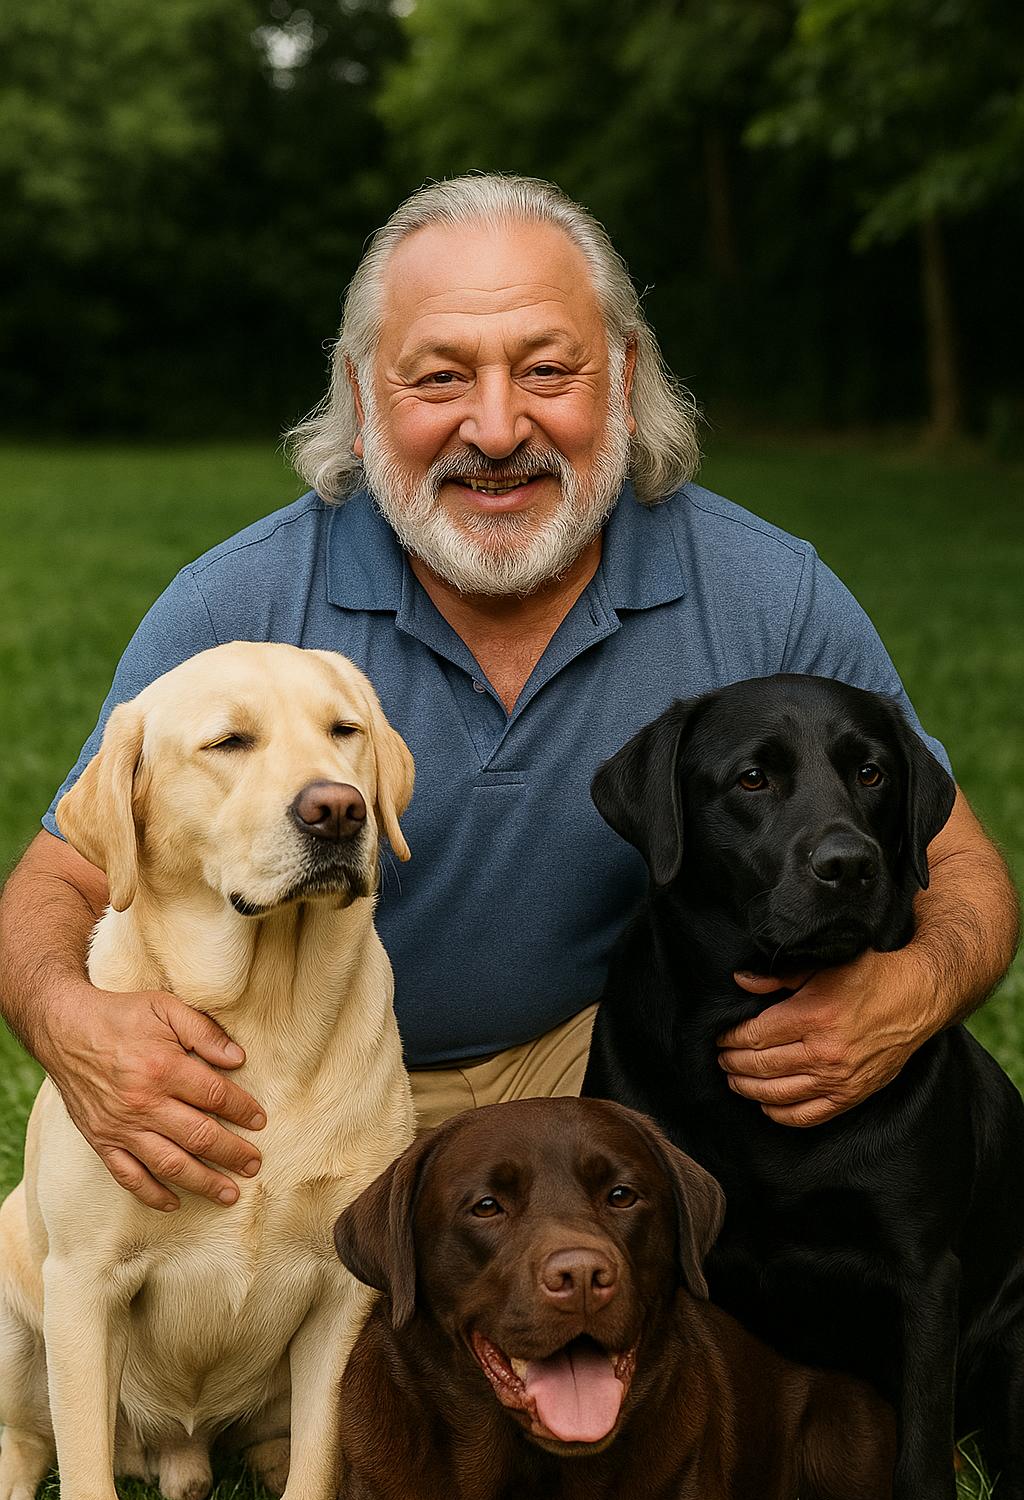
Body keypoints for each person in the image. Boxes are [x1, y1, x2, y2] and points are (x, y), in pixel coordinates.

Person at [0, 174, 1016, 1215]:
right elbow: (60, 879)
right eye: (439, 378)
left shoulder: (768, 592)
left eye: (546, 369)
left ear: (622, 380)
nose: (494, 429)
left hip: (596, 1082)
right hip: (294, 1104)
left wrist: (912, 992)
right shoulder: (238, 605)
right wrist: (71, 1021)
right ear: (359, 399)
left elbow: (961, 866)